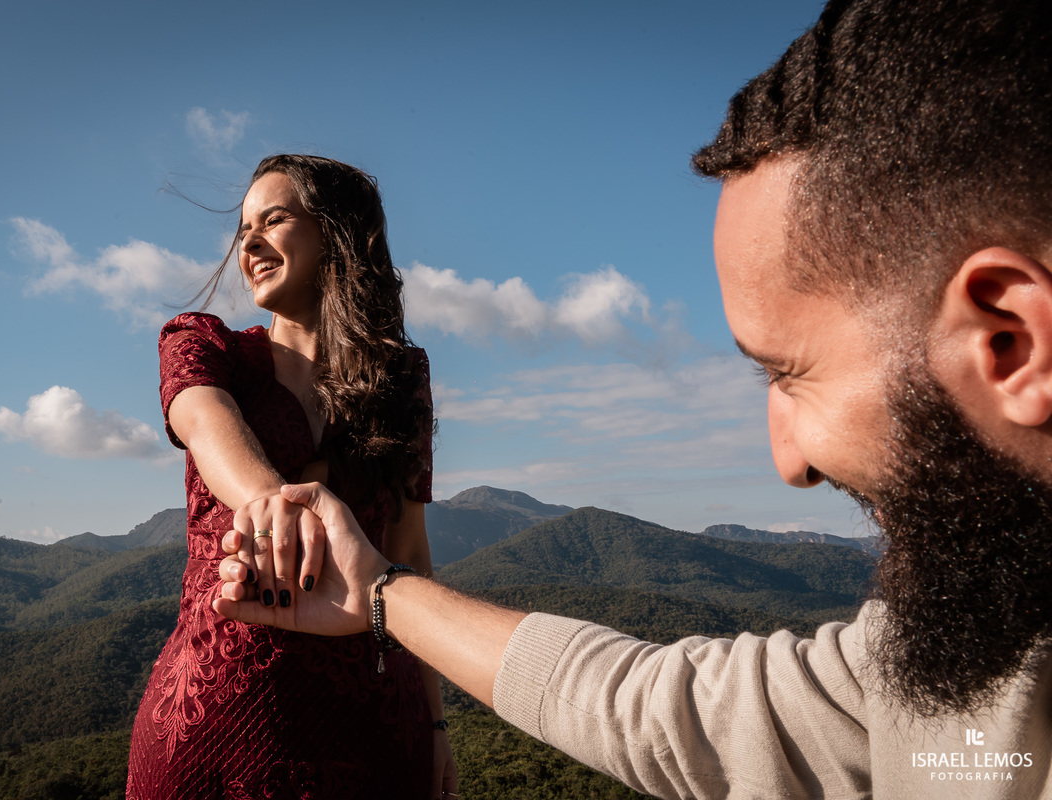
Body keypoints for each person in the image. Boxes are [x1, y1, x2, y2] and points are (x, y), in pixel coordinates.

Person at [211, 1, 1052, 797]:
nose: (786, 462)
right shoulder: (965, 670)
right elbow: (666, 711)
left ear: (1008, 340)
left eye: (788, 373)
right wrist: (383, 593)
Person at [127, 154, 457, 799]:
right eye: (242, 228)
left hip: (377, 721)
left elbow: (409, 554)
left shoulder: (400, 378)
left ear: (335, 234)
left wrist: (438, 721)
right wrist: (268, 499)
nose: (248, 242)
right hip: (217, 712)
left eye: (273, 219)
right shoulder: (205, 344)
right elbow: (201, 417)